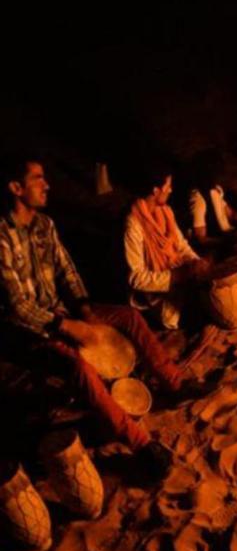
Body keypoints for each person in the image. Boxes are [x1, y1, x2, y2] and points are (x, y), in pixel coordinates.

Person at [0, 155, 209, 477]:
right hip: (30, 330)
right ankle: (140, 443)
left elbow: (67, 271)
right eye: (37, 178)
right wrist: (66, 325)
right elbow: (16, 305)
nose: (47, 184)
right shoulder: (2, 236)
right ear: (15, 187)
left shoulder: (44, 225)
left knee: (126, 316)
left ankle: (173, 381)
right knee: (79, 367)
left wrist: (84, 309)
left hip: (62, 311)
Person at [125, 163, 212, 329]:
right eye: (168, 186)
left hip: (175, 272)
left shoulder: (165, 212)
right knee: (189, 315)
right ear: (156, 191)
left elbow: (181, 245)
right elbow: (135, 278)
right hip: (154, 293)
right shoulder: (133, 225)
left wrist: (196, 262)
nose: (170, 190)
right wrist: (177, 276)